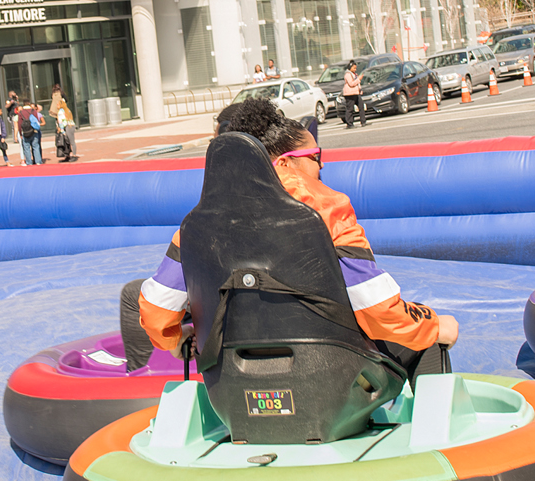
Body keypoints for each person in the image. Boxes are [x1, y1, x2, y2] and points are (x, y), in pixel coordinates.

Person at [117, 97, 457, 372]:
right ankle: (441, 447)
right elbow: (380, 310)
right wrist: (434, 325)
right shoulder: (328, 207)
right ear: (283, 163)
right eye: (315, 157)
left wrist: (177, 342)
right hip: (327, 377)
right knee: (428, 336)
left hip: (232, 382)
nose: (321, 167)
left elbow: (156, 309)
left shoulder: (197, 222)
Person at [17, 99, 44, 166]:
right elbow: (36, 121)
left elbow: (19, 124)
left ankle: (29, 162)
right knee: (35, 146)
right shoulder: (33, 111)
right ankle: (38, 161)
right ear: (29, 103)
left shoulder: (21, 112)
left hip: (25, 132)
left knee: (26, 147)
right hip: (34, 131)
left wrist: (20, 133)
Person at [340, 60, 363, 128]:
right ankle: (349, 123)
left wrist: (360, 89)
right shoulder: (348, 74)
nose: (355, 70)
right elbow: (351, 84)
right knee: (350, 109)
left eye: (356, 68)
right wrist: (359, 79)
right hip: (350, 94)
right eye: (354, 68)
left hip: (356, 93)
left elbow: (357, 84)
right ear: (350, 67)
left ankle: (363, 121)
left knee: (361, 107)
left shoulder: (355, 74)